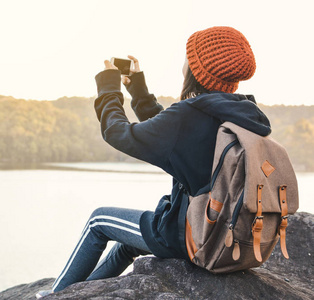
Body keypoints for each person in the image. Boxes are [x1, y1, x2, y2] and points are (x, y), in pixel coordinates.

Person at [36, 26, 271, 298]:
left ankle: (56, 295)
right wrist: (137, 88)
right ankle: (76, 294)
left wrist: (109, 88)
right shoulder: (243, 114)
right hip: (229, 237)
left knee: (98, 221)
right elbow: (168, 133)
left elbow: (118, 134)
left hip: (191, 236)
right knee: (126, 245)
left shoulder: (191, 114)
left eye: (188, 57)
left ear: (196, 68)